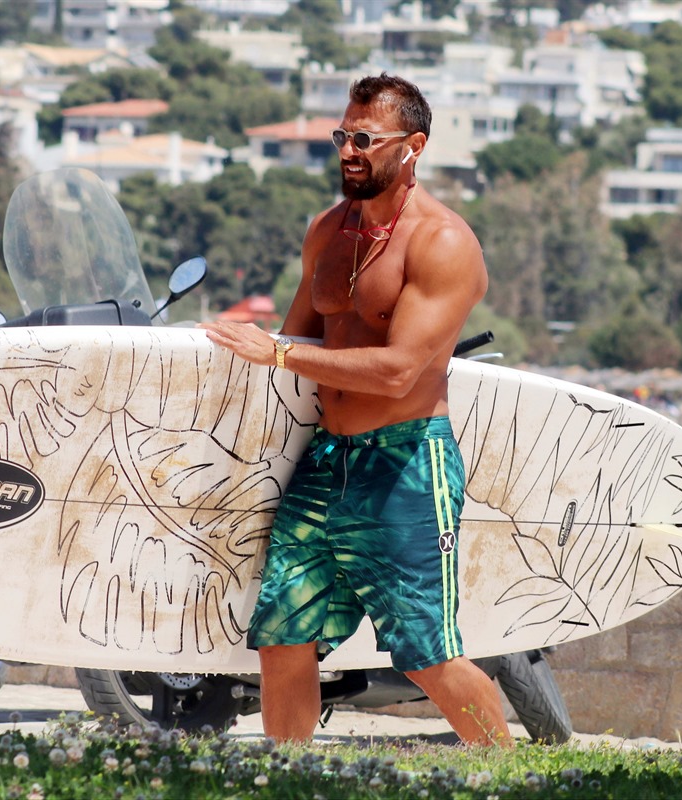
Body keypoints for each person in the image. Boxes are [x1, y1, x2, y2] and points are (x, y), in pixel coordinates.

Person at [199, 73, 511, 746]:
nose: (348, 150)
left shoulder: (442, 242)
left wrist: (277, 354)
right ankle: (288, 781)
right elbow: (295, 343)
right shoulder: (328, 231)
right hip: (325, 462)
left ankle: (510, 778)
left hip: (405, 464)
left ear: (413, 146)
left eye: (365, 139)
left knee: (427, 654)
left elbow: (397, 371)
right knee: (283, 637)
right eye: (343, 135)